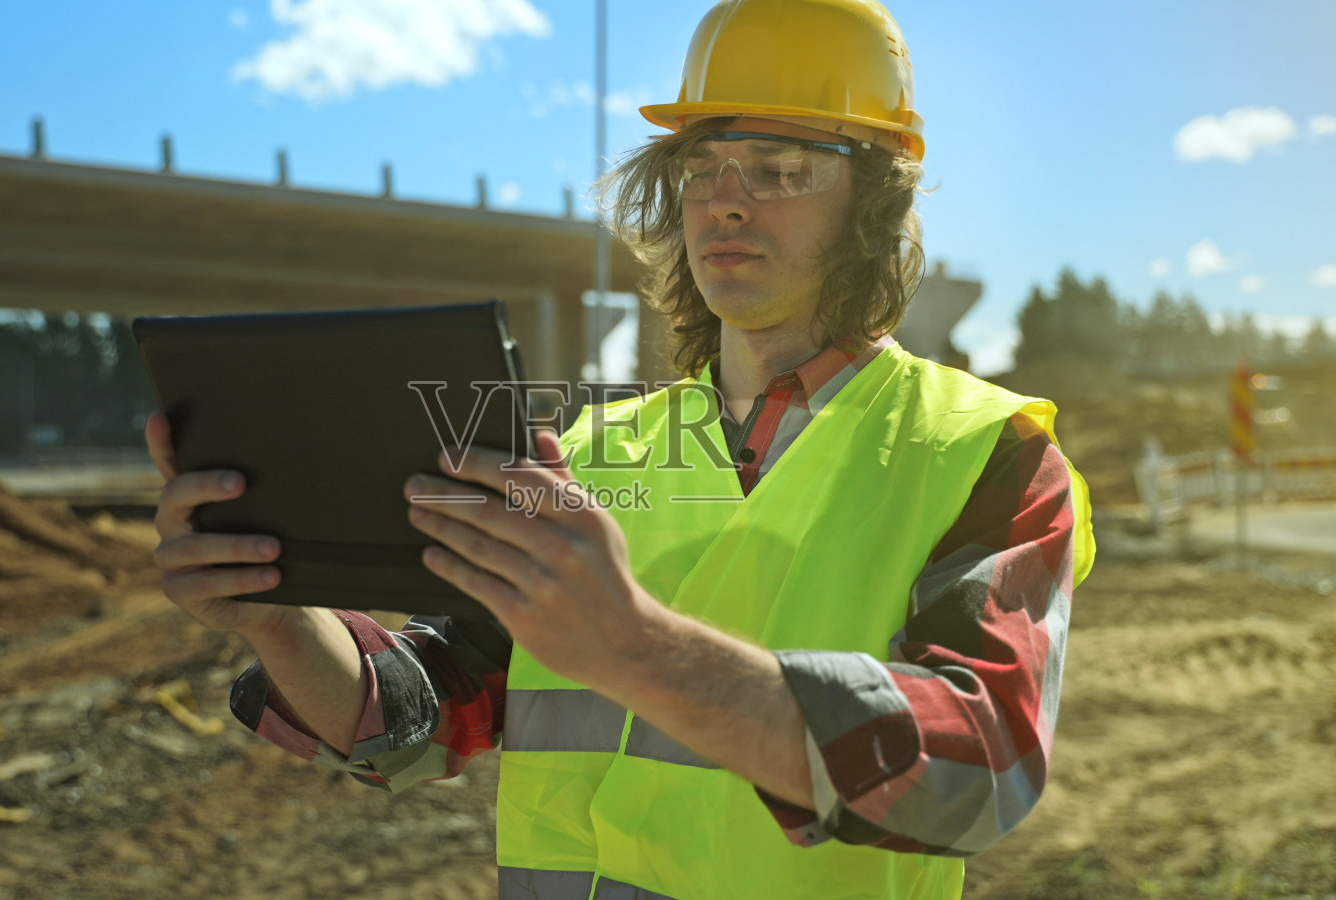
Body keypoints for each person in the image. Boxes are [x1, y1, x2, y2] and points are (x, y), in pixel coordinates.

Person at [144, 0, 1094, 896]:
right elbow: (424, 717)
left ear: (875, 200)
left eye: (781, 167)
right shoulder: (587, 455)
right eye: (700, 168)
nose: (724, 201)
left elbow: (982, 767)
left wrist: (630, 645)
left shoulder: (981, 453)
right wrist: (279, 617)